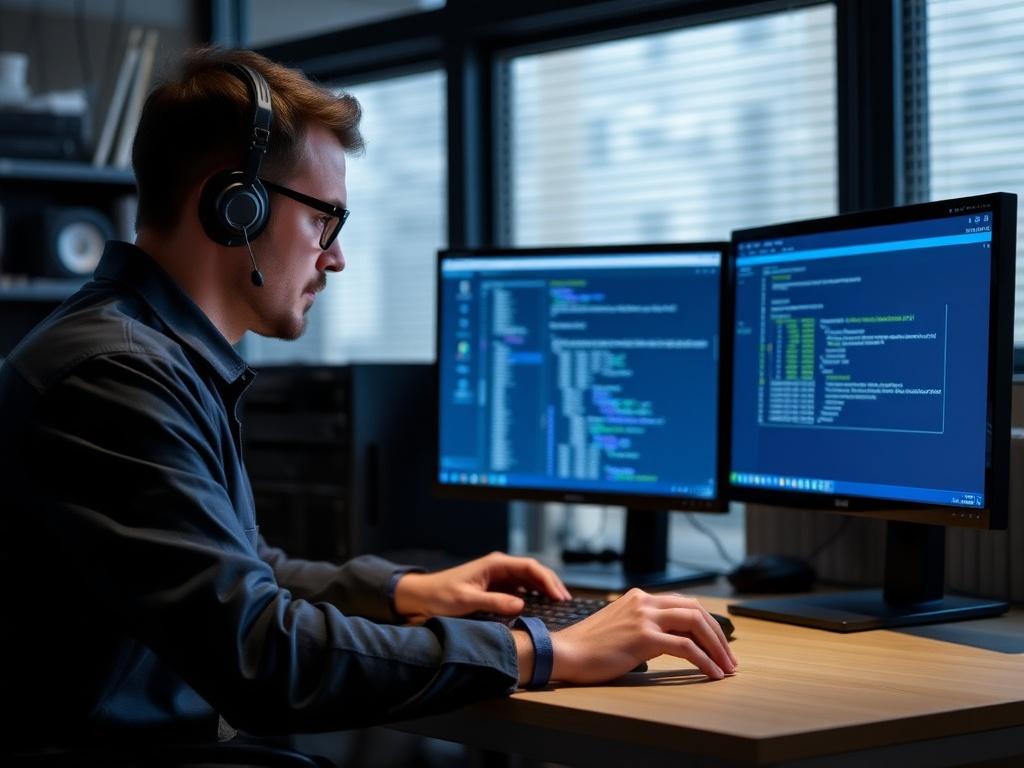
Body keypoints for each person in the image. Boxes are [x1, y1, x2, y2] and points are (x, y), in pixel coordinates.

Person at [0, 47, 736, 755]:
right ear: (235, 206)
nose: (336, 256)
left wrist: (408, 590)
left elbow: (241, 576)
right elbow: (261, 653)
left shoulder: (148, 353)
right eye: (324, 218)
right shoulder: (115, 375)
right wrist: (545, 648)